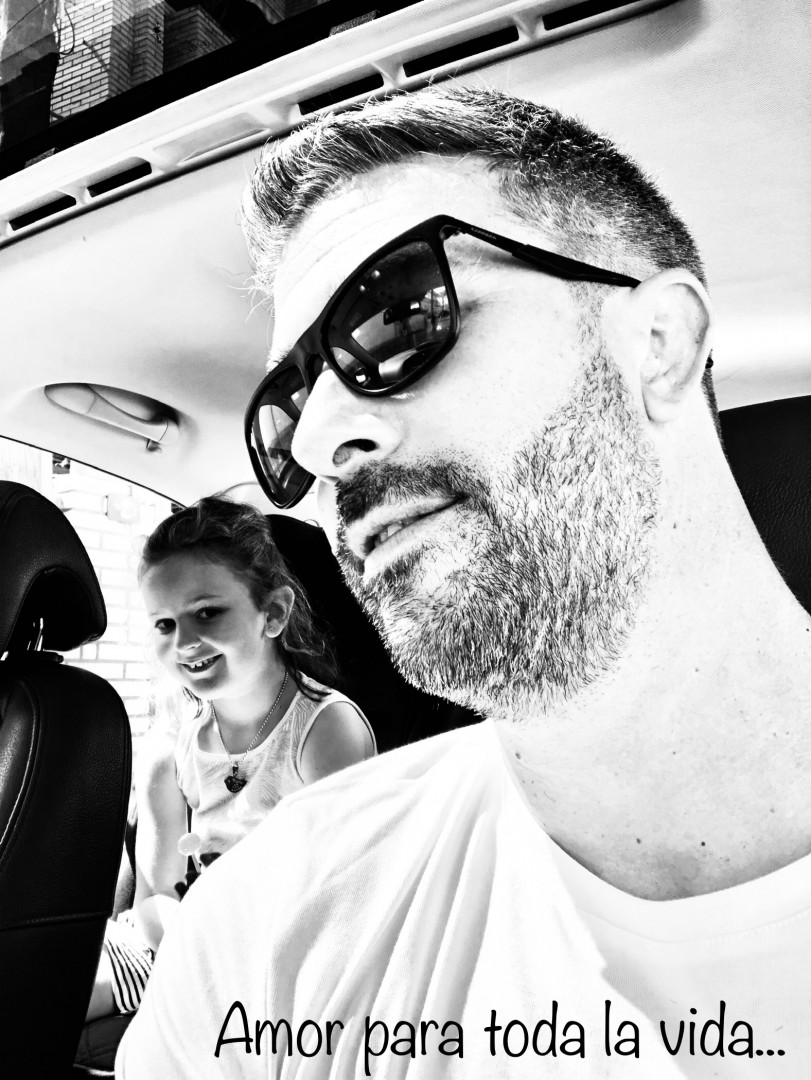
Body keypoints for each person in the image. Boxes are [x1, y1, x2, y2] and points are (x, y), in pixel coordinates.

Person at [117, 87, 811, 1078]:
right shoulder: (272, 920)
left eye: (397, 318)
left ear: (658, 342)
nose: (316, 443)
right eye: (288, 411)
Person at [90, 495, 375, 1021]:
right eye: (164, 624)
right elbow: (153, 895)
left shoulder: (324, 732)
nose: (185, 642)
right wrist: (183, 942)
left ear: (274, 613)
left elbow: (344, 903)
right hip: (168, 945)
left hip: (276, 963)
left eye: (207, 612)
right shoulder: (173, 741)